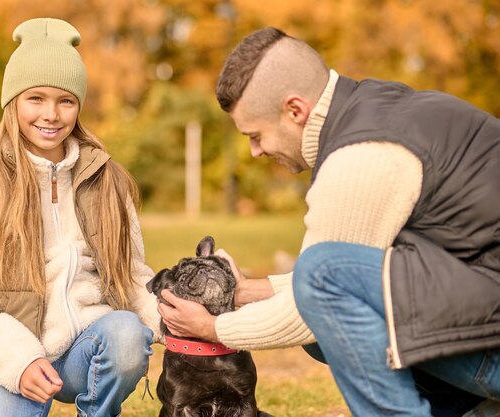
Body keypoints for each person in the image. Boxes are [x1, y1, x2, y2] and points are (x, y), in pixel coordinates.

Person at [157, 27, 500, 416]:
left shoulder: (361, 156)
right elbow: (365, 270)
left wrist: (211, 329)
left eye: (256, 135)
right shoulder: (377, 108)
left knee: (318, 284)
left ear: (295, 110)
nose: (255, 152)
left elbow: (314, 298)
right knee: (319, 296)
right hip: (483, 305)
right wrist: (246, 291)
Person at [0, 18, 161, 417]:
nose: (52, 114)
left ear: (79, 106)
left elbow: (133, 277)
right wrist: (18, 360)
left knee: (127, 334)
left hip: (91, 349)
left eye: (66, 100)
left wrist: (184, 327)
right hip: (22, 355)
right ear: (13, 103)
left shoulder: (108, 179)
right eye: (36, 98)